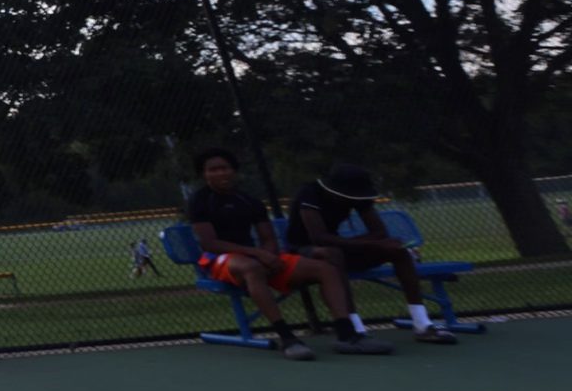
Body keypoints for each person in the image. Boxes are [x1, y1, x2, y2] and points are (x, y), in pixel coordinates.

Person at [182, 148, 389, 360]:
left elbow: (268, 238)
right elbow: (210, 243)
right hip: (219, 259)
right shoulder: (200, 200)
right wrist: (258, 255)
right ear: (203, 174)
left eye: (224, 168)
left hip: (256, 258)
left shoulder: (249, 200)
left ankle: (347, 334)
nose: (220, 173)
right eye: (213, 170)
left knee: (325, 269)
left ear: (233, 170)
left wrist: (269, 255)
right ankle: (287, 338)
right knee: (251, 267)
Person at [284, 164, 456, 346]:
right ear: (335, 190)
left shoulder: (357, 197)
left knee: (399, 251)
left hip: (337, 249)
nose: (355, 199)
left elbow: (379, 231)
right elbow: (318, 238)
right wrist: (370, 243)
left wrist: (379, 244)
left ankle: (422, 324)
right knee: (332, 254)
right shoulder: (309, 195)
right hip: (301, 253)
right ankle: (354, 329)